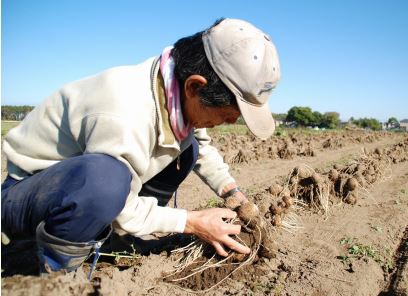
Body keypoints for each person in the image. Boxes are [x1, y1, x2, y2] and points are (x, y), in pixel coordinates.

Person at [1, 18, 280, 274]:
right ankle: (53, 270)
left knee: (189, 149)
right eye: (231, 113)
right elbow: (117, 202)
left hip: (78, 189)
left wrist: (233, 193)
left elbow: (202, 147)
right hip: (26, 195)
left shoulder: (172, 86)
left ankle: (120, 239)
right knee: (105, 182)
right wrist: (193, 222)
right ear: (195, 87)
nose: (232, 121)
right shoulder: (124, 111)